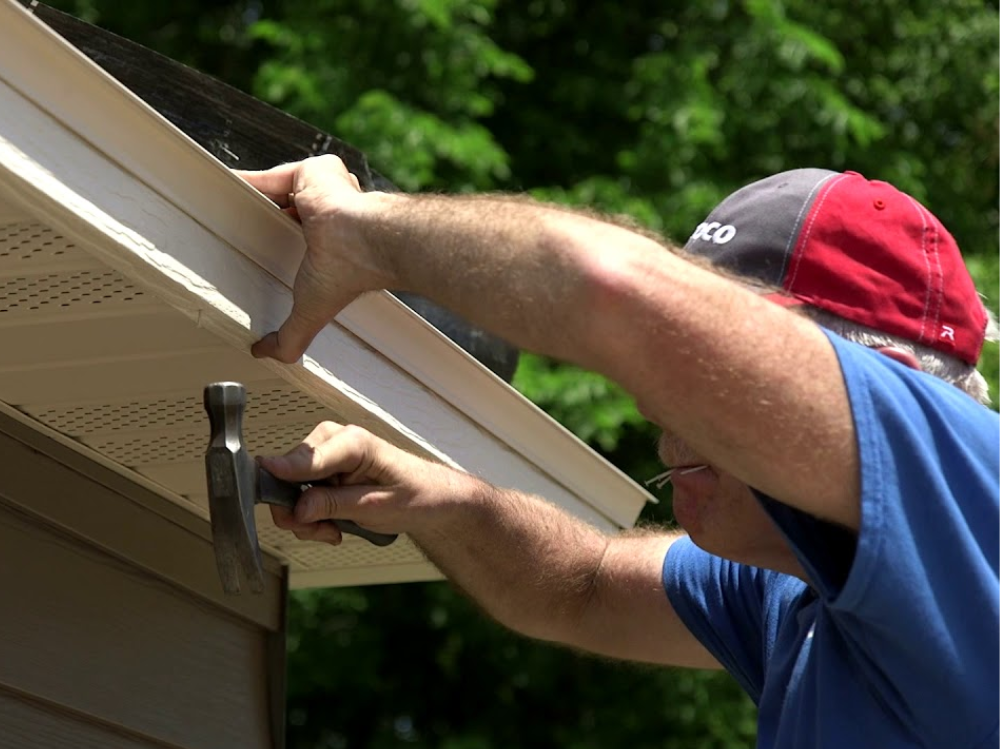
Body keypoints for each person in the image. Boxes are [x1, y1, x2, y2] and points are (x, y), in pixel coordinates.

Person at [238, 158, 999, 748]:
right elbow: (582, 588)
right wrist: (440, 500)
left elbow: (609, 289)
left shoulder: (976, 500)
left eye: (714, 372)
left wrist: (357, 229)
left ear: (888, 389)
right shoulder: (795, 593)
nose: (658, 404)